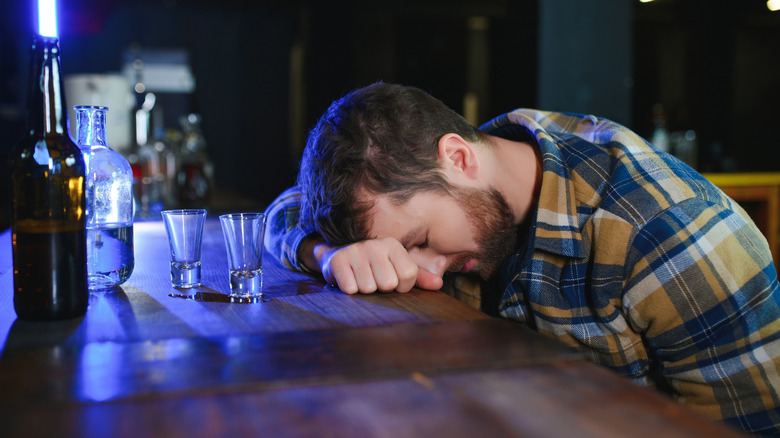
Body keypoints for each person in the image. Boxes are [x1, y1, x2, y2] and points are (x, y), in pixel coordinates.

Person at [265, 82, 780, 435]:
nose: (423, 272)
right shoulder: (470, 159)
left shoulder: (672, 235)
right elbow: (284, 209)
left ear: (458, 158)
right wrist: (327, 253)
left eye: (420, 238)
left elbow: (750, 427)